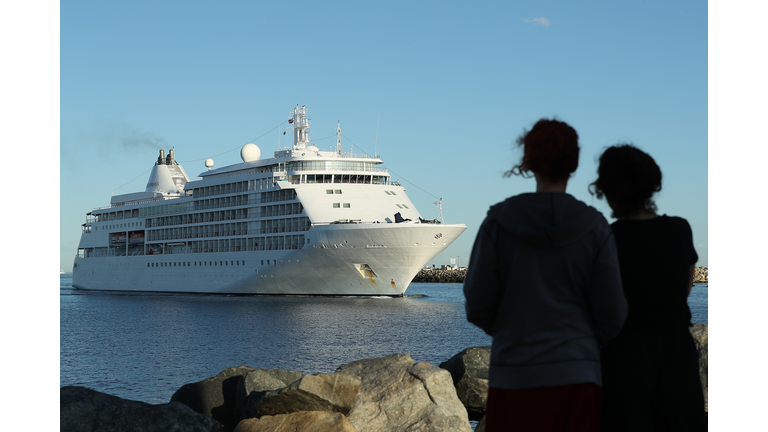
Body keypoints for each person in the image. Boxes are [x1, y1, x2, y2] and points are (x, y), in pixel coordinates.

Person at [463, 119, 627, 431]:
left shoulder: (497, 223)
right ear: (575, 163)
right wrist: (585, 344)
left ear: (528, 161)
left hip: (513, 372)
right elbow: (613, 312)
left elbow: (478, 303)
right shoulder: (595, 227)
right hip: (578, 374)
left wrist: (512, 332)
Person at [590, 144, 706, 431]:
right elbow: (686, 286)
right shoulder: (680, 229)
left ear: (606, 190)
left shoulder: (607, 239)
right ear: (652, 185)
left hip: (624, 353)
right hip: (676, 350)